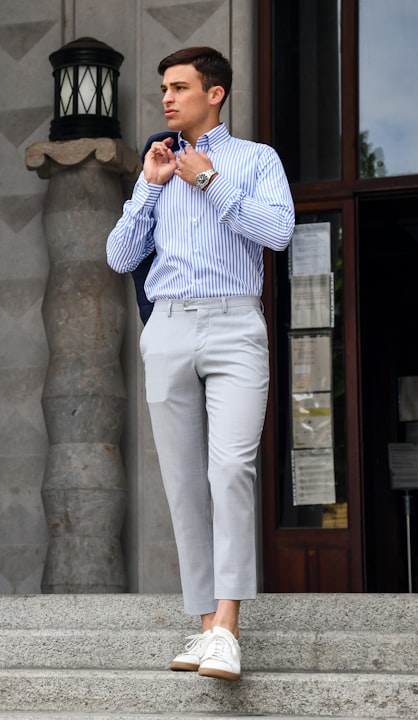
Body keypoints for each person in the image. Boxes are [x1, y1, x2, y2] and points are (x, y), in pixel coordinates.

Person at [106, 46, 294, 681]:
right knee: (184, 482)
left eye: (179, 87)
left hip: (236, 323)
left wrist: (209, 181)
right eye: (163, 87)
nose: (166, 98)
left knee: (231, 469)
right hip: (169, 326)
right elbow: (117, 254)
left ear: (214, 94)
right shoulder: (155, 164)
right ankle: (207, 625)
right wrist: (151, 189)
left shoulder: (255, 160)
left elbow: (278, 233)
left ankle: (228, 624)